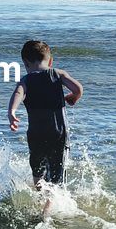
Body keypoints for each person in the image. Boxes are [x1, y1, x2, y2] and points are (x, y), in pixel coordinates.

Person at [7, 40, 83, 201]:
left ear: (25, 63)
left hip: (36, 135)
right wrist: (73, 97)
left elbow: (18, 94)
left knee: (37, 172)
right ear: (50, 61)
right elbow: (77, 88)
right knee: (56, 179)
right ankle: (47, 211)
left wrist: (12, 111)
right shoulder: (58, 74)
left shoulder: (26, 80)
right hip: (58, 134)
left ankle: (39, 197)